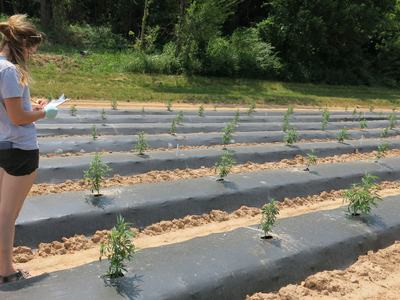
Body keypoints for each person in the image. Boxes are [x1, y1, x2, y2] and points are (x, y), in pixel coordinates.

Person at [0, 14, 58, 284]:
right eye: (31, 48)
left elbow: (10, 109)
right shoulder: (10, 71)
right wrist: (45, 112)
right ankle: (7, 271)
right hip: (19, 149)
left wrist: (30, 105)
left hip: (2, 144)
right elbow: (18, 118)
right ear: (21, 43)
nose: (32, 54)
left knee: (1, 211)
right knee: (7, 215)